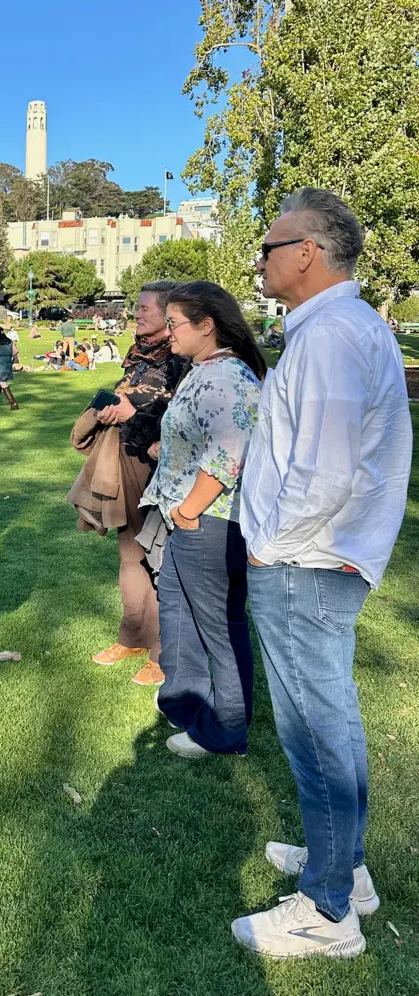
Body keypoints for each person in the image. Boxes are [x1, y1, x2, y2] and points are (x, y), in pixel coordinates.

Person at [232, 189, 411, 959]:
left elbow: (326, 471)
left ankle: (329, 910)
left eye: (270, 247)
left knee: (316, 730)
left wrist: (272, 544)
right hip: (316, 555)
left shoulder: (333, 334)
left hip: (308, 558)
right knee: (323, 722)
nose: (261, 260)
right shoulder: (334, 329)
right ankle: (345, 865)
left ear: (307, 251)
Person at [143, 282, 263, 759]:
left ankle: (226, 730)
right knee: (177, 608)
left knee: (219, 625)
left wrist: (189, 510)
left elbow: (228, 454)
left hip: (210, 523)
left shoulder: (227, 377)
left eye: (174, 324)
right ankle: (184, 701)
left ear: (206, 325)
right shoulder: (205, 370)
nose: (168, 333)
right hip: (190, 520)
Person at [87, 283, 188, 684]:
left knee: (163, 561)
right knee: (130, 555)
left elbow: (181, 417)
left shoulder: (181, 357)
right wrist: (116, 409)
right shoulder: (138, 354)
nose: (137, 313)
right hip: (127, 460)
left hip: (161, 469)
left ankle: (164, 654)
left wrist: (134, 411)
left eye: (145, 308)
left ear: (168, 314)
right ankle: (133, 636)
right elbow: (131, 398)